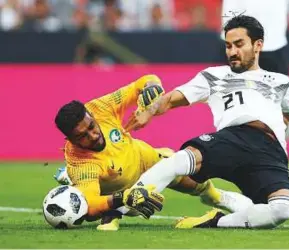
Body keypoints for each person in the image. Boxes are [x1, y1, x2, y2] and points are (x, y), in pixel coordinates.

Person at [123, 15, 289, 229]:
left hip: (270, 153)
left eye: (239, 44)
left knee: (283, 209)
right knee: (182, 160)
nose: (232, 51)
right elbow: (172, 99)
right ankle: (124, 204)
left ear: (258, 45)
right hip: (233, 140)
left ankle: (217, 221)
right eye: (228, 45)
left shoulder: (280, 82)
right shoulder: (214, 76)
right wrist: (150, 110)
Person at [54, 74, 241, 231]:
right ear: (70, 140)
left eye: (92, 127)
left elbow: (143, 82)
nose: (93, 136)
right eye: (82, 136)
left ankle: (215, 196)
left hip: (143, 156)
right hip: (119, 188)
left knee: (194, 181)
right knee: (109, 207)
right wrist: (123, 197)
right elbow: (91, 205)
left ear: (92, 116)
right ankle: (112, 210)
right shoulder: (80, 161)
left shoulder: (100, 108)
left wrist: (151, 87)